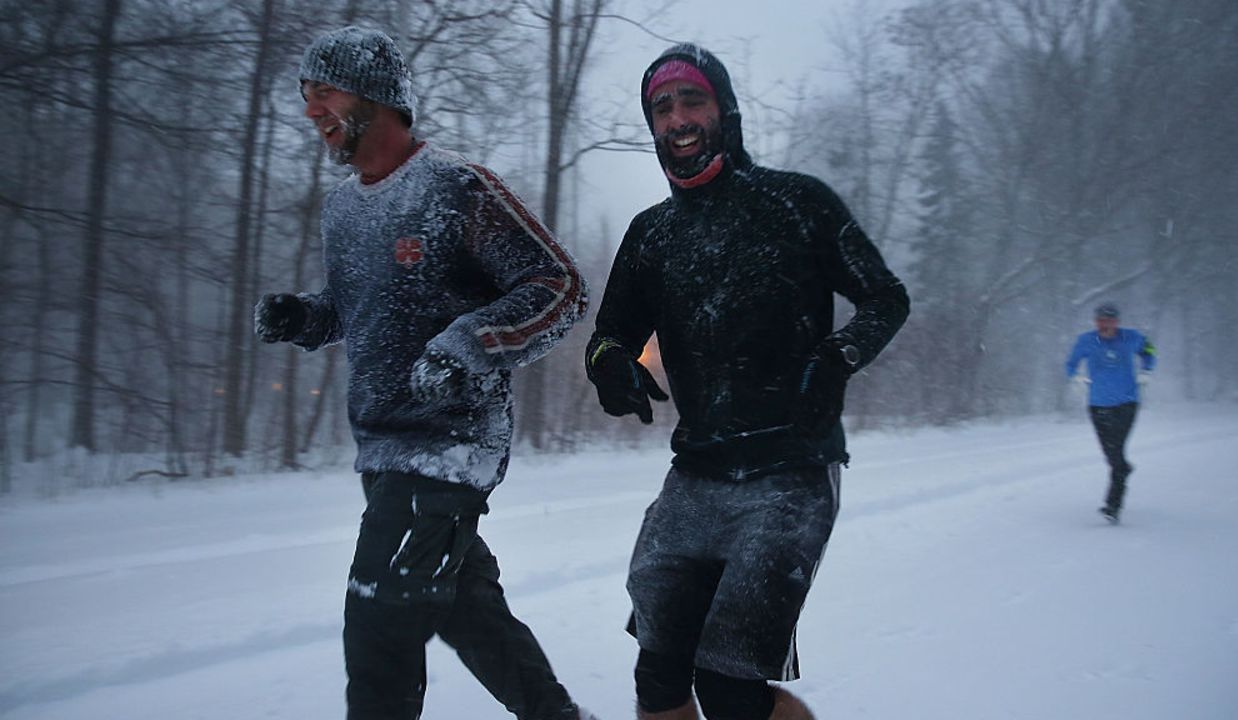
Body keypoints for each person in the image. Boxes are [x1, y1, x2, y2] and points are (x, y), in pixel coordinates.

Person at [254, 26, 595, 720]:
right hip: (382, 451)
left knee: (378, 622)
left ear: (374, 97)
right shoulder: (344, 208)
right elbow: (360, 310)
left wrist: (466, 346)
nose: (311, 111)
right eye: (306, 97)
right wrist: (307, 318)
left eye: (325, 93)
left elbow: (559, 287)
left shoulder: (455, 189)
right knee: (465, 609)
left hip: (450, 446)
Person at [585, 44, 910, 720]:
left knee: (732, 686)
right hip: (696, 475)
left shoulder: (797, 203)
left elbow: (885, 298)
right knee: (659, 674)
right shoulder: (652, 234)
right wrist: (610, 364)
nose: (676, 117)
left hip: (792, 470)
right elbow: (610, 333)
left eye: (691, 99)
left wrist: (838, 355)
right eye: (661, 107)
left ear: (723, 110)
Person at [1064, 302, 1156, 524]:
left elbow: (1149, 350)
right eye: (1101, 320)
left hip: (1126, 403)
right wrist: (1075, 377)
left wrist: (1146, 369)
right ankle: (1123, 468)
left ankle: (1113, 505)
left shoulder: (1130, 337)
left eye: (1109, 320)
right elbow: (1071, 363)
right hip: (1098, 404)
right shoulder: (1086, 341)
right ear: (1096, 322)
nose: (1105, 325)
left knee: (1116, 452)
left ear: (1117, 321)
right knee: (1111, 454)